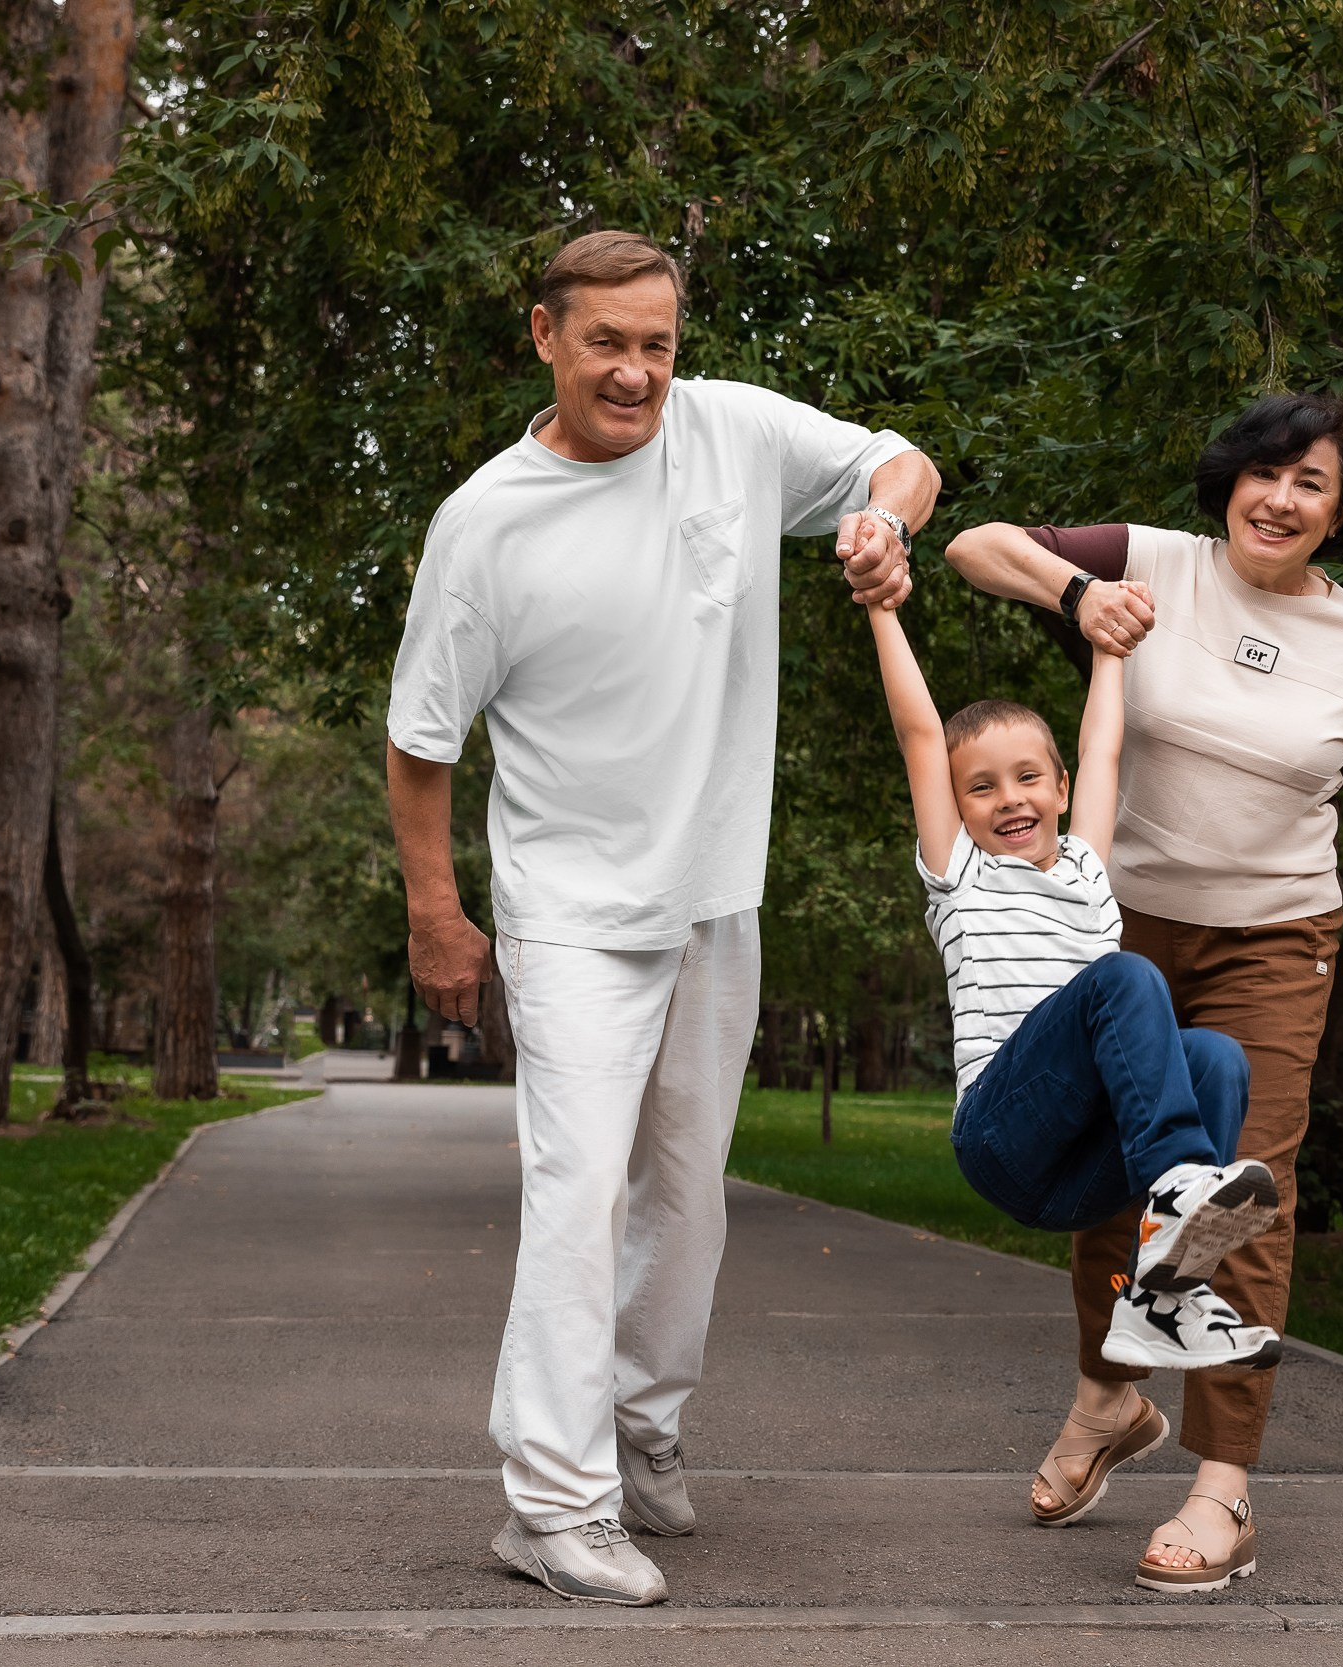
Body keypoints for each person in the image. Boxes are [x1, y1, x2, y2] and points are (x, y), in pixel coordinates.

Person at [384, 229, 941, 1607]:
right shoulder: (487, 522)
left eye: (658, 342)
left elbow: (900, 454)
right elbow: (421, 742)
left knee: (686, 1203)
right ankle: (554, 1507)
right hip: (568, 907)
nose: (636, 371)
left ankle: (636, 1430)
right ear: (544, 337)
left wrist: (884, 519)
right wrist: (435, 911)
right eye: (607, 342)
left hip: (713, 891)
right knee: (576, 1199)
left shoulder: (732, 432)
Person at [942, 392, 1343, 1593]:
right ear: (1229, 478)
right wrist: (1077, 595)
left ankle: (1223, 1488)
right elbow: (974, 544)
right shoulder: (1153, 563)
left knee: (1238, 1193)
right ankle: (1106, 1401)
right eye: (1265, 472)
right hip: (1123, 929)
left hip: (1277, 941)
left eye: (1312, 484)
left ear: (1342, 512)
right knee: (1113, 1182)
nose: (1280, 498)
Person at [866, 595, 1285, 1404]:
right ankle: (1179, 1186)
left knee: (1217, 1058)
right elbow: (920, 733)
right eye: (980, 789)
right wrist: (884, 610)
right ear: (957, 811)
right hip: (1002, 1137)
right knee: (1127, 978)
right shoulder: (962, 874)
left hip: (1086, 1167)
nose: (1010, 798)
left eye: (1028, 777)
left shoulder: (1090, 873)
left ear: (1060, 786)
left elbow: (1104, 748)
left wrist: (1111, 648)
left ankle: (1162, 1294)